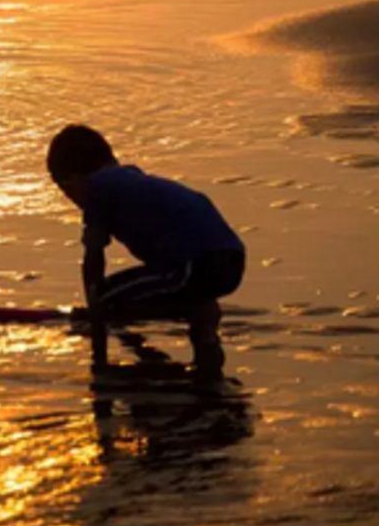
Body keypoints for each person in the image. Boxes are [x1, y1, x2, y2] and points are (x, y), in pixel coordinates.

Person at [47, 124, 245, 376]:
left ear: (73, 179)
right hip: (230, 259)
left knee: (108, 297)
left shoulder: (97, 188)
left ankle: (156, 365)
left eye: (65, 191)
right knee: (144, 289)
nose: (72, 200)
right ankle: (205, 345)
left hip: (195, 264)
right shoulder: (129, 180)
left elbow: (94, 258)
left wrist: (95, 313)